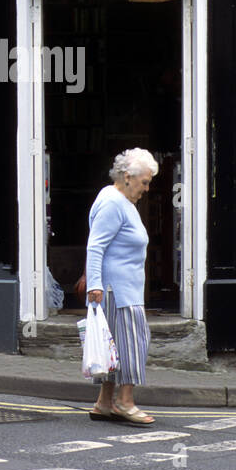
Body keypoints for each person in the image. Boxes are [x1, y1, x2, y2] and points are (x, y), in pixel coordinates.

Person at [86, 148, 159, 427]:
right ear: (127, 177)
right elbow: (96, 246)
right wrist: (94, 285)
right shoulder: (114, 203)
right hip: (118, 291)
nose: (147, 188)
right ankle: (125, 402)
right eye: (145, 182)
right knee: (132, 346)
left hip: (119, 288)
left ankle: (104, 403)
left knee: (112, 348)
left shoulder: (120, 200)